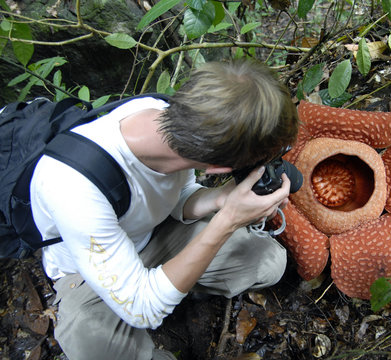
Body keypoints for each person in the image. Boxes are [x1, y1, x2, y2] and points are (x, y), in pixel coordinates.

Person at [30, 60, 300, 359]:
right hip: (88, 271)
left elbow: (179, 195)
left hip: (152, 235)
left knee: (267, 262)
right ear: (217, 167)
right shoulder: (72, 186)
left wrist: (222, 198)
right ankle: (168, 294)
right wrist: (227, 221)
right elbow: (141, 307)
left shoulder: (179, 122)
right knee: (92, 341)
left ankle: (173, 284)